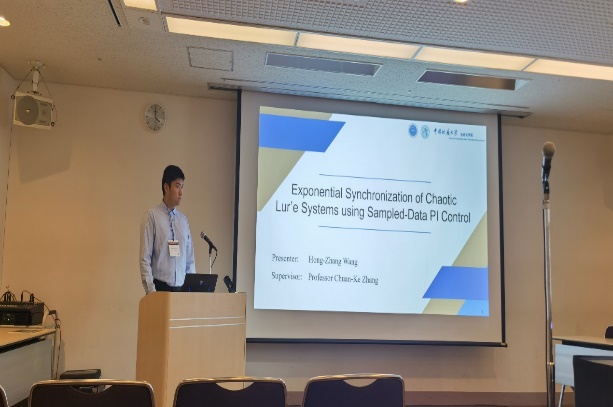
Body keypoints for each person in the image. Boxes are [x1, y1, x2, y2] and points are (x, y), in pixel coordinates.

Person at [140, 165, 196, 294]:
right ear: (166, 187)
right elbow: (145, 259)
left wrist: (191, 291)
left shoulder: (183, 221)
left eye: (182, 187)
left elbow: (190, 260)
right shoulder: (152, 216)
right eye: (177, 186)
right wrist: (151, 292)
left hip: (181, 292)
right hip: (159, 289)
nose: (181, 192)